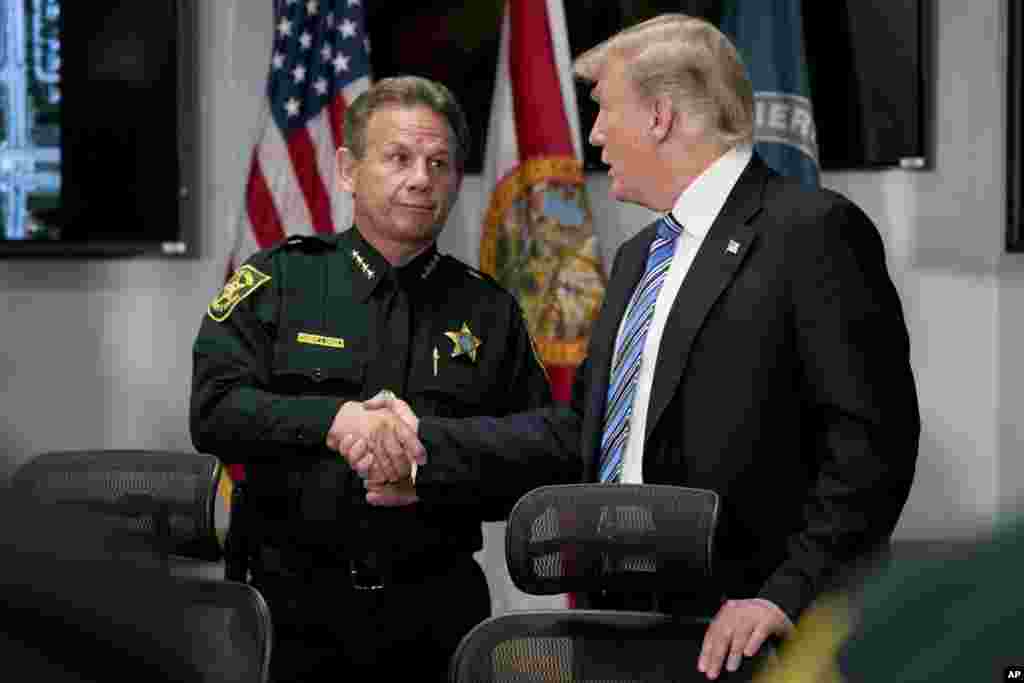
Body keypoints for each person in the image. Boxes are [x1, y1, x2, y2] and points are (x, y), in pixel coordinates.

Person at [347, 14, 920, 681]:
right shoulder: (638, 258)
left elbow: (872, 447)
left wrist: (783, 594)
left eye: (604, 111)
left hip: (746, 637)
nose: (592, 135)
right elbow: (581, 433)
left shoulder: (812, 231)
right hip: (616, 628)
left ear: (659, 116)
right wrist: (426, 449)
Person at [189, 75, 581, 681]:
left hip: (434, 616)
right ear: (347, 170)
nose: (421, 178)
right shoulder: (280, 280)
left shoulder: (489, 310)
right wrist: (334, 419)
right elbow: (214, 410)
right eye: (399, 158)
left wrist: (434, 472)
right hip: (288, 615)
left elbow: (550, 452)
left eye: (439, 162)